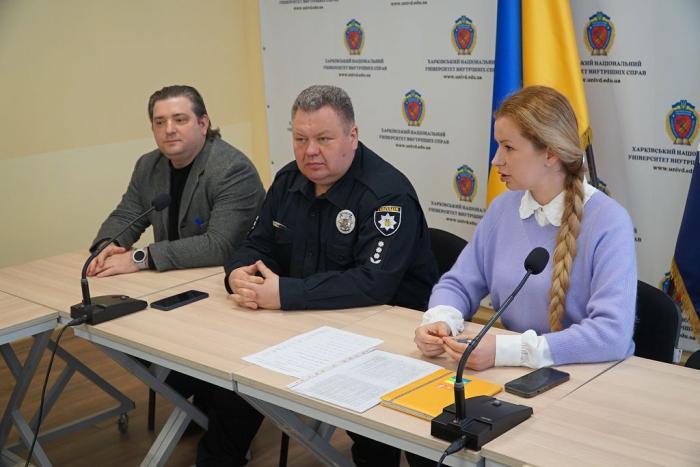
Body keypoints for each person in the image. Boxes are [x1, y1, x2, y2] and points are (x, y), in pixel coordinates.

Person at [196, 85, 438, 466]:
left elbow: (373, 283)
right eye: (300, 139)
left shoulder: (386, 195)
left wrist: (284, 294)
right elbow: (256, 244)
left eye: (323, 139)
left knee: (369, 428)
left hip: (382, 336)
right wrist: (237, 274)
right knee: (233, 388)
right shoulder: (288, 181)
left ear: (352, 136)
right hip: (305, 325)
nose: (310, 151)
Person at [414, 85, 637, 371]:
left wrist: (508, 351)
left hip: (589, 375)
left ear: (550, 154)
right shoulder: (503, 208)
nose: (496, 160)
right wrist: (440, 321)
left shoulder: (609, 222)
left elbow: (611, 334)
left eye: (508, 147)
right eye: (498, 146)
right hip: (516, 372)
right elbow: (458, 284)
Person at [86, 85, 265, 277]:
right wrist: (108, 244)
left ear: (203, 124)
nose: (169, 130)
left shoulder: (233, 170)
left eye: (180, 120)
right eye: (160, 122)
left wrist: (140, 258)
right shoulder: (148, 165)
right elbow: (126, 216)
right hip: (170, 278)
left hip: (224, 280)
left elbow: (220, 245)